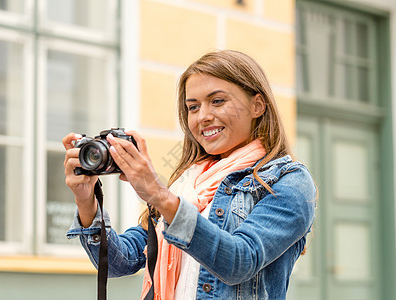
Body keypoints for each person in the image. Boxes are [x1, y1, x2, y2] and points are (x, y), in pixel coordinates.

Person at [63, 50, 316, 300]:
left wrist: (159, 195)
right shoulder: (188, 183)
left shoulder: (289, 181)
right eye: (193, 107)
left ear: (257, 105)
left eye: (217, 101)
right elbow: (121, 262)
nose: (203, 117)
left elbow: (239, 261)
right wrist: (87, 201)